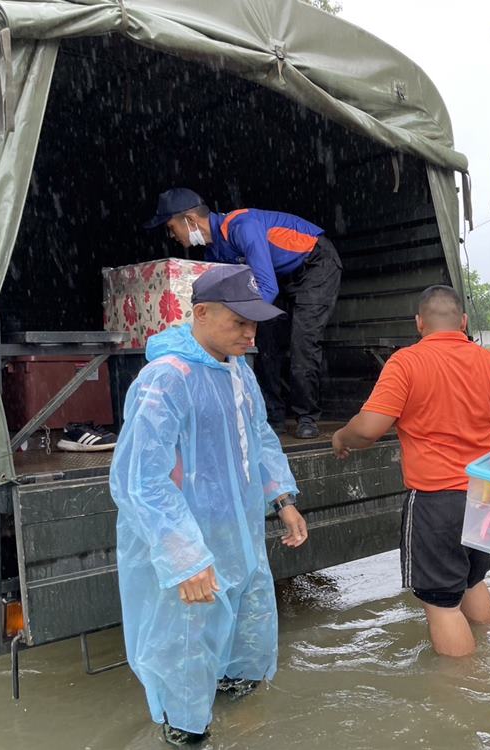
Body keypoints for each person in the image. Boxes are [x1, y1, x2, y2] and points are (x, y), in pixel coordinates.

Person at [109, 264, 309, 746]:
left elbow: (259, 437)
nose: (250, 333)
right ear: (200, 312)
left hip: (237, 535)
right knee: (185, 644)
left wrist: (282, 499)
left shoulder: (238, 370)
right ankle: (185, 729)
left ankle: (239, 714)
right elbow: (140, 481)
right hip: (186, 543)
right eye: (238, 322)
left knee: (247, 631)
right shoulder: (166, 380)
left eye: (254, 322)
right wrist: (184, 557)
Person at [331, 285, 490, 656]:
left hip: (436, 500)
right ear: (462, 321)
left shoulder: (407, 362)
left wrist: (341, 437)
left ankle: (463, 692)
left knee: (441, 604)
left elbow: (369, 428)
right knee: (474, 581)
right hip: (486, 497)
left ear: (419, 323)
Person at [144, 187, 342, 439]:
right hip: (279, 276)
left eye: (171, 227)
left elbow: (266, 287)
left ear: (190, 220)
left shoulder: (242, 225)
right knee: (265, 344)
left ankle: (307, 416)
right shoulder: (213, 252)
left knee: (302, 340)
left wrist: (237, 322)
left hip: (315, 264)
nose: (171, 235)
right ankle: (273, 416)